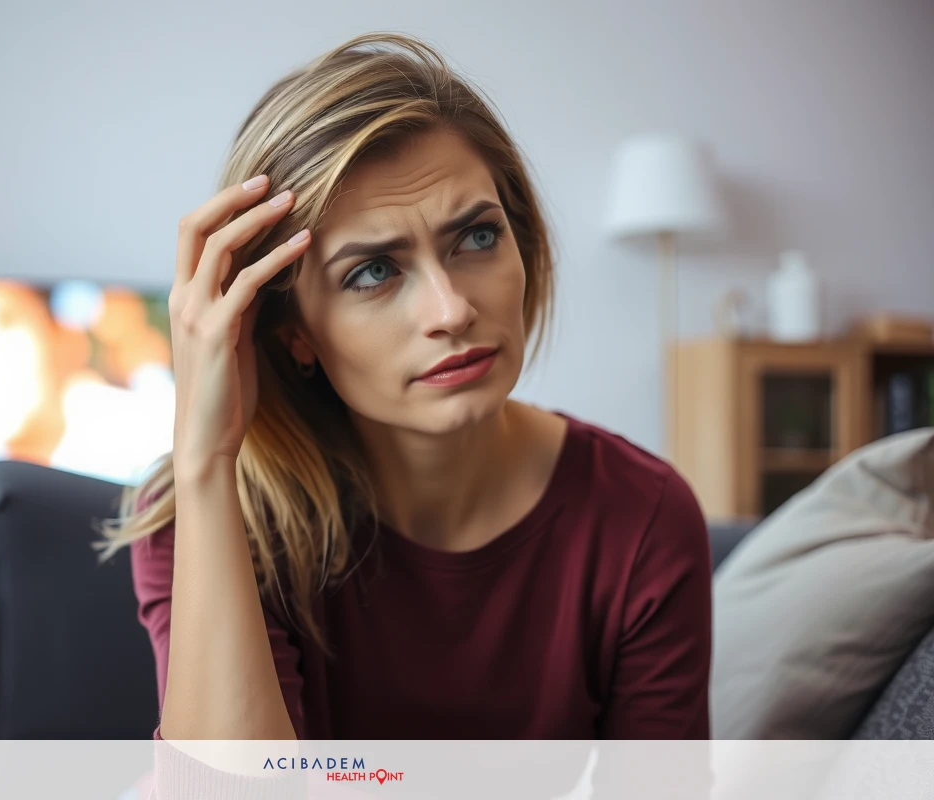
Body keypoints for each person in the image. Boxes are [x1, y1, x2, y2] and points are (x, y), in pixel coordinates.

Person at [103, 32, 713, 756]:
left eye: (478, 237)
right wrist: (205, 463)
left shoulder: (640, 519)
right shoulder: (205, 516)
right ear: (290, 331)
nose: (451, 310)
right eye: (373, 273)